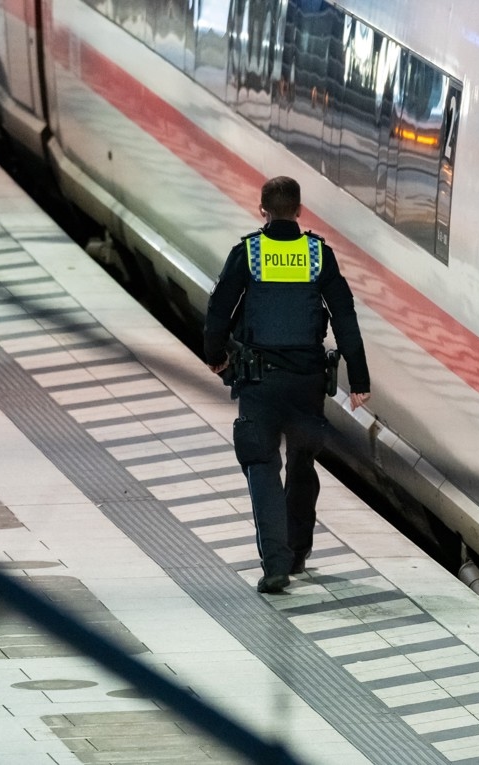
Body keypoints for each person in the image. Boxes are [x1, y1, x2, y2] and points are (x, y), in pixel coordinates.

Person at [203, 176, 371, 594]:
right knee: (302, 464)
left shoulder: (248, 252)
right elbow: (345, 316)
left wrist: (215, 356)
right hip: (307, 382)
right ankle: (298, 551)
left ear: (262, 210)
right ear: (299, 211)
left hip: (259, 381)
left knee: (262, 466)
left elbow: (219, 309)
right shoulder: (318, 255)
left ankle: (275, 565)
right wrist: (360, 378)